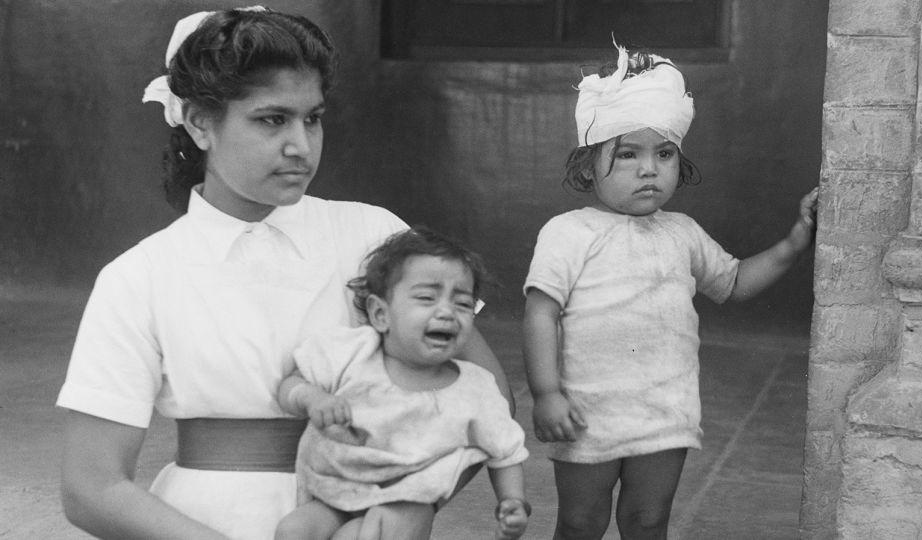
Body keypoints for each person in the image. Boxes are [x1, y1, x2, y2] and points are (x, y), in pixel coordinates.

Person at [56, 7, 512, 540]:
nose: (300, 145)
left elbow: (486, 393)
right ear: (201, 122)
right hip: (204, 523)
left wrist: (416, 502)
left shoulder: (371, 236)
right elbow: (91, 487)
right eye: (272, 119)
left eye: (312, 118)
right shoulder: (140, 276)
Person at [522, 44, 818, 540]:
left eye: (664, 154)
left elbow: (735, 281)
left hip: (666, 411)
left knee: (648, 520)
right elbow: (539, 314)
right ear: (586, 168)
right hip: (587, 413)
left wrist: (793, 242)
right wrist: (547, 393)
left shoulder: (682, 232)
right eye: (628, 154)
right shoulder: (568, 233)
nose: (648, 169)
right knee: (580, 521)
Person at [273, 227, 530, 540]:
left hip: (404, 503)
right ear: (381, 314)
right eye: (426, 298)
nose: (447, 311)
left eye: (462, 303)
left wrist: (512, 501)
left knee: (357, 536)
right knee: (293, 529)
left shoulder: (476, 390)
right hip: (334, 490)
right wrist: (312, 399)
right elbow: (290, 385)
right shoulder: (353, 353)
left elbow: (505, 450)